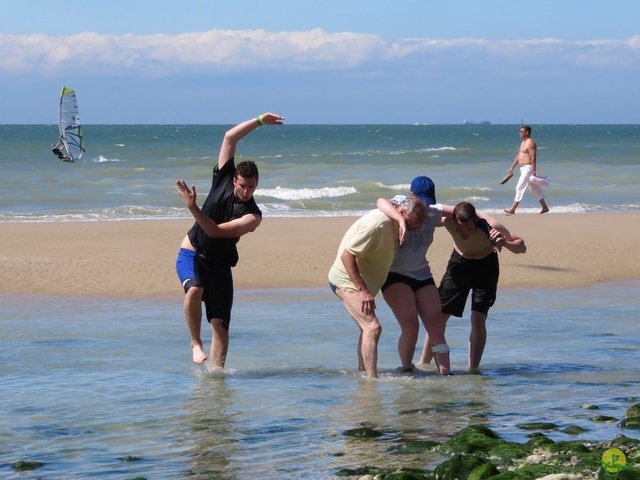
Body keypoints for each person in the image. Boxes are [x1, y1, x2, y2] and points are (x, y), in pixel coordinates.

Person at [175, 112, 285, 368]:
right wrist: (259, 121)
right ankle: (195, 343)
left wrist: (193, 208)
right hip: (193, 254)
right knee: (194, 289)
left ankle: (216, 380)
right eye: (243, 185)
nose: (247, 191)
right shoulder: (224, 176)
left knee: (221, 326)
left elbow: (215, 231)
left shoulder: (253, 217)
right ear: (234, 179)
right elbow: (229, 137)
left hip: (221, 265)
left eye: (252, 187)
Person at [328, 195, 428, 379]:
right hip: (346, 281)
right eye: (414, 223)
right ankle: (371, 384)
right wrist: (363, 290)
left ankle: (362, 375)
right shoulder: (379, 225)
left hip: (361, 283)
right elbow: (347, 256)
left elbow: (387, 202)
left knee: (366, 329)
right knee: (373, 328)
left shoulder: (395, 220)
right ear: (402, 213)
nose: (416, 229)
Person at [419, 201, 526, 373]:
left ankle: (473, 369)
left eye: (468, 230)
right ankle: (423, 364)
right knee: (439, 316)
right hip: (459, 264)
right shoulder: (447, 221)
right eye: (460, 230)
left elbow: (522, 247)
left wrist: (504, 243)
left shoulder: (491, 226)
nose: (463, 234)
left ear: (475, 221)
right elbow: (423, 214)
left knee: (478, 318)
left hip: (486, 266)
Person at [376, 176, 453, 375]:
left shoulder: (433, 210)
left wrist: (494, 229)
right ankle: (407, 370)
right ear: (410, 195)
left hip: (422, 275)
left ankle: (446, 376)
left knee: (436, 327)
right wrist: (400, 220)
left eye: (428, 201)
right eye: (421, 200)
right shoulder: (400, 204)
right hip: (395, 275)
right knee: (411, 325)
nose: (424, 206)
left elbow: (466, 211)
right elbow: (380, 202)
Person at [504, 125, 549, 214]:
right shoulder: (523, 143)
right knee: (534, 188)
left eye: (521, 131)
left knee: (519, 187)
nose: (519, 133)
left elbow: (533, 158)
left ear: (527, 132)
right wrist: (512, 167)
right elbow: (519, 155)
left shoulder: (530, 143)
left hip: (528, 168)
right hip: (523, 168)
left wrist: (533, 171)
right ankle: (545, 207)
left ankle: (513, 208)